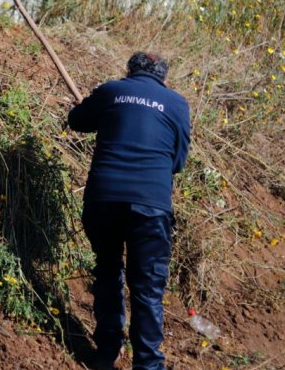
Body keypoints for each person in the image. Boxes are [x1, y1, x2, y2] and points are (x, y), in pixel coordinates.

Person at [68, 52, 191, 370]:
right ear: (164, 78)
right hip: (150, 206)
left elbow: (77, 122)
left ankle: (106, 353)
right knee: (147, 286)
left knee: (108, 270)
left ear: (130, 70)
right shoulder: (177, 104)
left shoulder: (111, 90)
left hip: (103, 200)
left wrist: (91, 110)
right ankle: (148, 364)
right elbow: (177, 163)